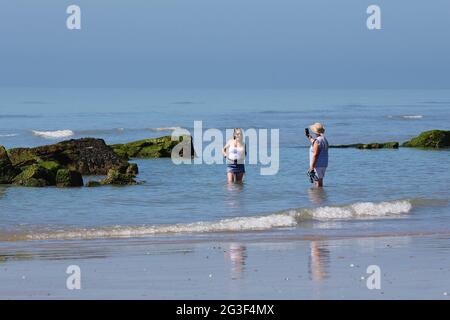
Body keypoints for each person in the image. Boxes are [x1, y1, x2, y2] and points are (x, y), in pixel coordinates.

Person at [306, 123, 329, 187]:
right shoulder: (324, 139)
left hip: (317, 165)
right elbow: (316, 143)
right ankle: (320, 195)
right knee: (320, 181)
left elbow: (316, 154)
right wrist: (310, 138)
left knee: (317, 183)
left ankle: (318, 196)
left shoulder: (317, 141)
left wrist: (312, 167)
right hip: (323, 164)